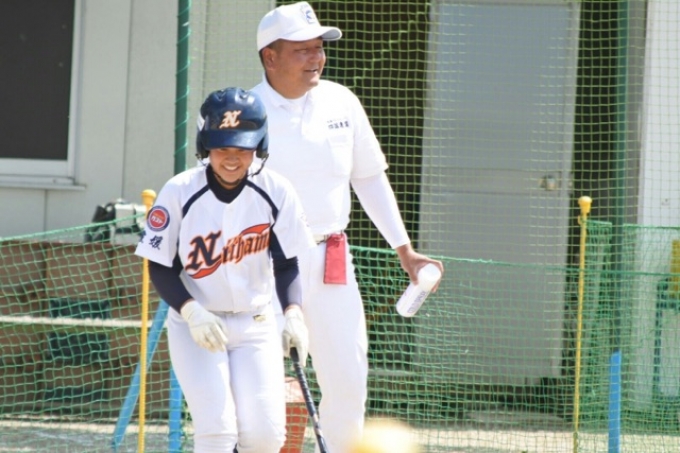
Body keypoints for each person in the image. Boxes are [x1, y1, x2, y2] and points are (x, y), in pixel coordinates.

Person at [252, 2, 445, 452]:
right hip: (260, 261)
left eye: (319, 48)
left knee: (348, 380)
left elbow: (369, 178)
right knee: (259, 385)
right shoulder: (244, 109)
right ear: (270, 57)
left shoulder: (342, 100)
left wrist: (405, 251)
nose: (316, 58)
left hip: (331, 258)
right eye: (302, 50)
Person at [135, 87, 314, 453]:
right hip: (198, 323)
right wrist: (190, 311)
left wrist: (294, 314)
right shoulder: (179, 191)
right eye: (222, 149)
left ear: (259, 146)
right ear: (205, 147)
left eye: (243, 149)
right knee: (216, 431)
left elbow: (287, 263)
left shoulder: (276, 190)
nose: (232, 159)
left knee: (265, 437)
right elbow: (160, 265)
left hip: (256, 322)